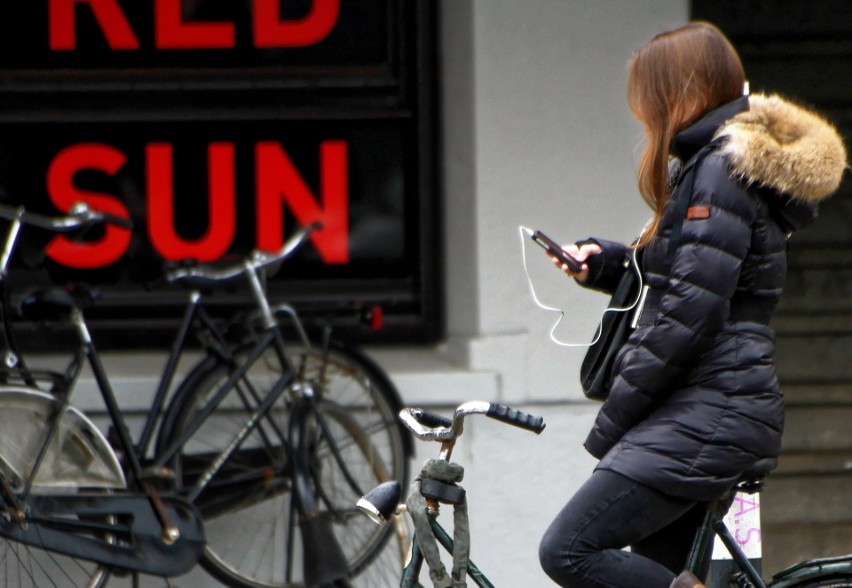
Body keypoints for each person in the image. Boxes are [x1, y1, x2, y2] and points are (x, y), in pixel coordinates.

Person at [538, 21, 847, 588]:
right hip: (710, 404)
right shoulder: (716, 164)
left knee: (569, 551)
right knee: (660, 574)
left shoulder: (719, 169)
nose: (642, 116)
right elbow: (695, 276)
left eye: (647, 101)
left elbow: (691, 312)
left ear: (678, 93)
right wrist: (606, 264)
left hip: (709, 408)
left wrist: (618, 415)